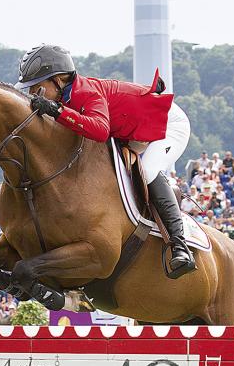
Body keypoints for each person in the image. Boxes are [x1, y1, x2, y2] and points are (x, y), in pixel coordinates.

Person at [16, 44, 195, 277]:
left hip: (169, 124)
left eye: (37, 87)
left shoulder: (85, 92)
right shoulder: (68, 96)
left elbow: (100, 130)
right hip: (131, 130)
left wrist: (56, 111)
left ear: (58, 80)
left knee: (149, 171)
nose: (32, 94)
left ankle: (179, 244)